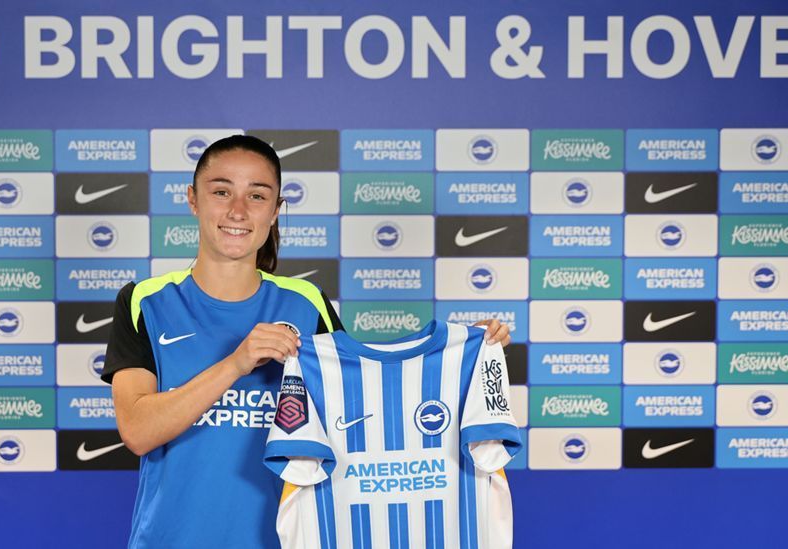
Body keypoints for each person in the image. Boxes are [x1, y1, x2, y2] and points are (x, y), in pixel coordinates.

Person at [101, 135, 512, 549]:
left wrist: (460, 357)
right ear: (193, 200)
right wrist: (235, 363)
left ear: (276, 211)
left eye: (257, 196)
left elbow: (363, 409)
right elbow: (138, 431)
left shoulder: (306, 303)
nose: (238, 210)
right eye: (221, 191)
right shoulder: (144, 301)